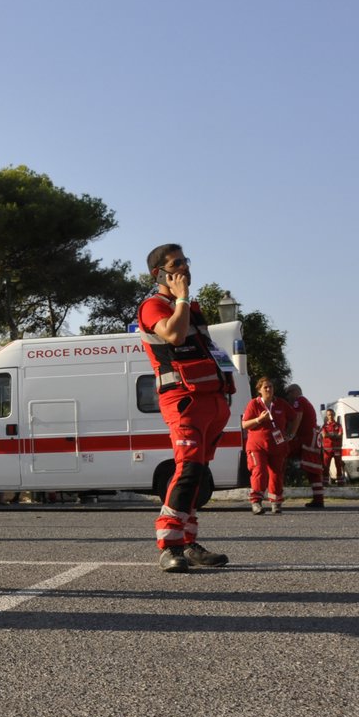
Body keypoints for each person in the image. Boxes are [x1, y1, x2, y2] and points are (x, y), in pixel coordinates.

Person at [136, 245, 233, 572]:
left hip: (210, 401)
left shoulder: (191, 307)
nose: (185, 268)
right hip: (183, 400)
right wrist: (180, 298)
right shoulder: (153, 306)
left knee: (198, 474)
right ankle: (169, 546)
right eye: (177, 264)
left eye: (186, 262)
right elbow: (175, 336)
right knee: (188, 469)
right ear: (158, 274)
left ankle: (189, 544)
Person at [241, 378, 291, 514]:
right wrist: (259, 419)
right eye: (265, 387)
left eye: (270, 387)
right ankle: (256, 502)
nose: (269, 389)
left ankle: (276, 502)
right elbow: (244, 424)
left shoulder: (281, 403)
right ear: (259, 390)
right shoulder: (254, 404)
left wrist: (291, 433)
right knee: (259, 471)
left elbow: (296, 416)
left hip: (277, 446)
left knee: (276, 473)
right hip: (257, 446)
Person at [285, 384, 325, 508]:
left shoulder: (299, 401)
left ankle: (275, 491)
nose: (288, 397)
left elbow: (297, 417)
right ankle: (318, 498)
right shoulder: (304, 401)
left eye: (288, 393)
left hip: (306, 440)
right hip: (310, 439)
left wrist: (290, 435)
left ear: (294, 392)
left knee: (281, 454)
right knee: (313, 470)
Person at [321, 408, 346, 485]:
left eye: (332, 414)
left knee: (338, 465)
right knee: (325, 466)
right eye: (329, 415)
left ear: (334, 415)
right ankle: (325, 482)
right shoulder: (324, 426)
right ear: (327, 416)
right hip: (327, 449)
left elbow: (340, 435)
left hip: (337, 449)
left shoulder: (338, 425)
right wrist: (335, 434)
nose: (330, 416)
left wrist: (330, 435)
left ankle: (340, 482)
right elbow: (324, 435)